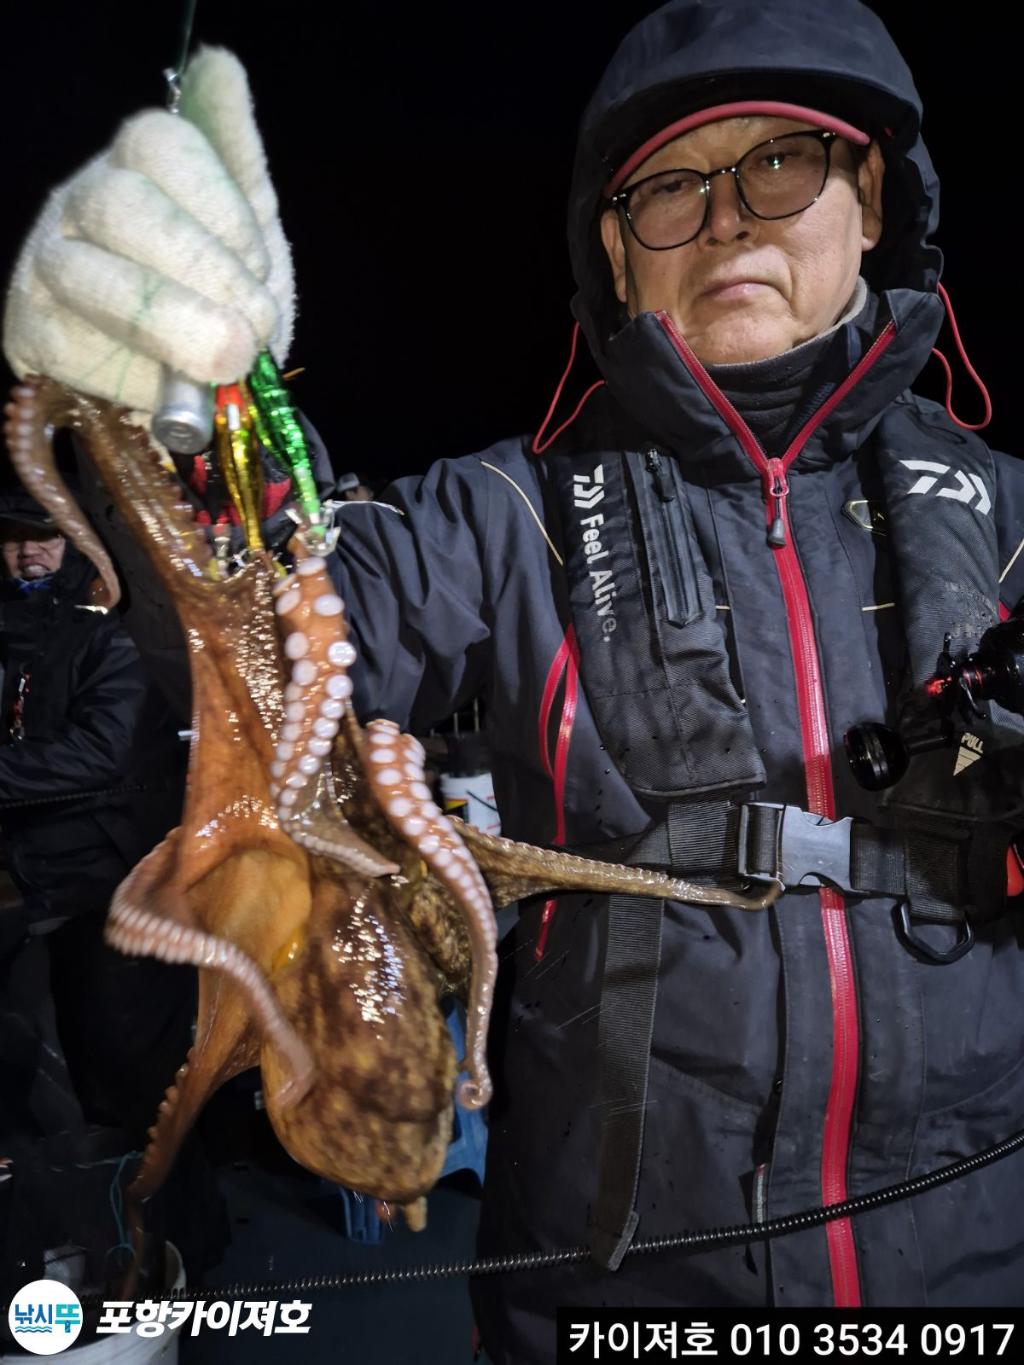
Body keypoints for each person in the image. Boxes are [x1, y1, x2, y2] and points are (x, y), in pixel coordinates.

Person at [4, 0, 1024, 1353]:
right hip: (614, 1291)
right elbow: (254, 629)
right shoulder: (503, 518)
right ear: (616, 246)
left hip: (972, 1272)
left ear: (872, 195)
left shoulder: (1004, 516)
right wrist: (162, 404)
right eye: (668, 188)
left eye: (779, 163)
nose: (725, 220)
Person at [0, 487, 191, 1137]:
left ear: (76, 544)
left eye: (44, 535)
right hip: (48, 882)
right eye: (14, 536)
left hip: (119, 885)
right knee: (68, 1063)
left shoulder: (116, 628)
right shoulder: (22, 633)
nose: (28, 550)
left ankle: (163, 1220)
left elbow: (101, 753)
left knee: (135, 1076)